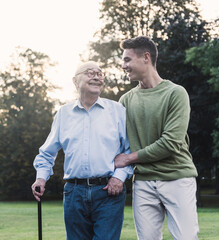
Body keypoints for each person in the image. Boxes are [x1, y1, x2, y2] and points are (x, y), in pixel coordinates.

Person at [31, 61, 133, 240]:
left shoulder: (117, 111)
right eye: (89, 72)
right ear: (75, 81)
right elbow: (47, 153)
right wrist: (41, 177)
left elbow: (130, 150)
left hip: (108, 191)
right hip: (74, 193)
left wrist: (119, 177)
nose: (96, 76)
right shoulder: (64, 113)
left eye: (100, 74)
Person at [115, 36, 199, 240]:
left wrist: (129, 158)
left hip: (177, 177)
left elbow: (170, 143)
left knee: (186, 237)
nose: (123, 65)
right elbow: (118, 143)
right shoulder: (125, 100)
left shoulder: (175, 94)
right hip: (143, 181)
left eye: (127, 60)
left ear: (146, 57)